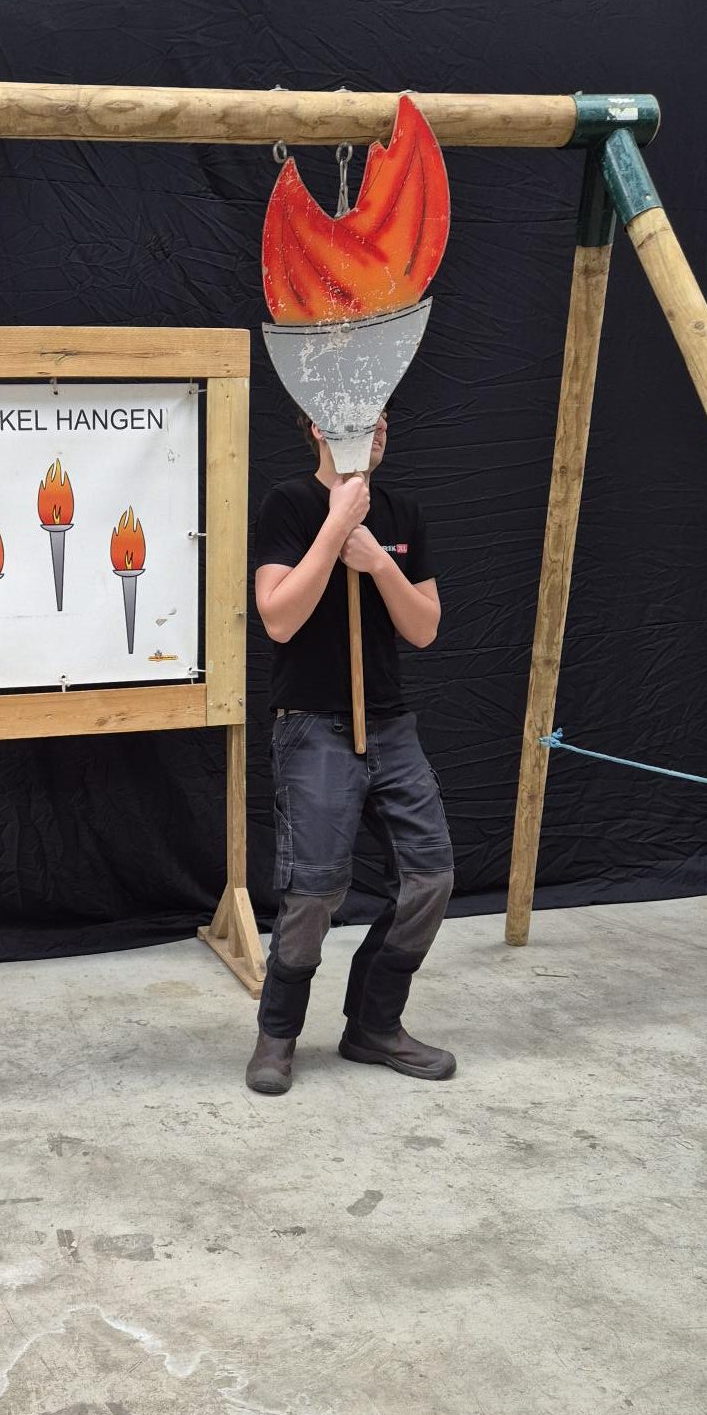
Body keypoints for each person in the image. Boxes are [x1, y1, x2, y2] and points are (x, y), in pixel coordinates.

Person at [247, 409, 456, 1094]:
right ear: (317, 426)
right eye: (365, 418)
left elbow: (423, 628)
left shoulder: (402, 512)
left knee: (429, 878)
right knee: (315, 890)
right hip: (313, 724)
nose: (381, 427)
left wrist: (377, 562)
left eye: (386, 416)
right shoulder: (289, 503)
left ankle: (373, 1025)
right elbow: (279, 618)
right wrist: (336, 526)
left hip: (390, 725)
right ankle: (278, 1035)